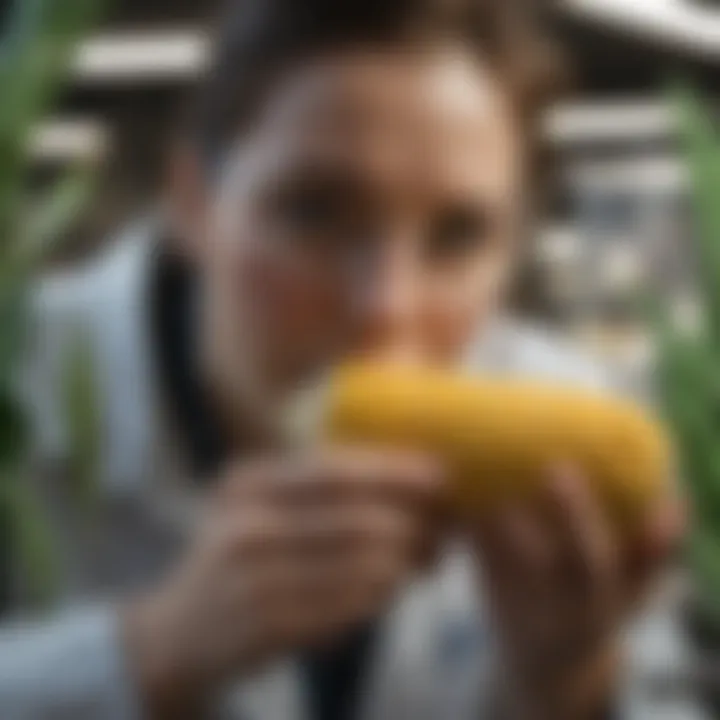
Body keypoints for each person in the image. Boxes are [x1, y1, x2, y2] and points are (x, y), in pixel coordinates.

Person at [0, 1, 692, 718]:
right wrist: (148, 651)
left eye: (457, 236)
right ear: (193, 204)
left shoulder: (566, 412)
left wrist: (563, 687)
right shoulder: (18, 391)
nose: (386, 308)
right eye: (315, 212)